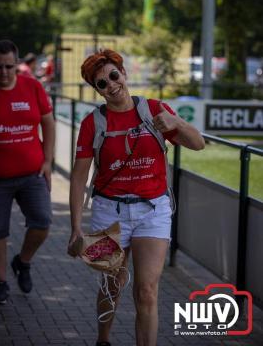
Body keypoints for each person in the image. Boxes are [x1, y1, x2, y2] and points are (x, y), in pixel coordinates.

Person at [68, 49, 205, 346]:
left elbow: (199, 144)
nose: (111, 85)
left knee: (147, 290)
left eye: (113, 75)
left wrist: (176, 123)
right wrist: (76, 227)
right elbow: (78, 179)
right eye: (101, 84)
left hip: (153, 211)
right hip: (108, 211)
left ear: (123, 73)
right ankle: (103, 339)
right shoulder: (93, 124)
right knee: (110, 285)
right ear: (97, 91)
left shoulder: (154, 109)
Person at [0, 40, 55, 304]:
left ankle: (23, 261)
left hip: (32, 174)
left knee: (42, 222)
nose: (4, 72)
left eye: (9, 66)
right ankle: (0, 282)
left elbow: (48, 124)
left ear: (16, 64)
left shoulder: (32, 87)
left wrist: (48, 161)